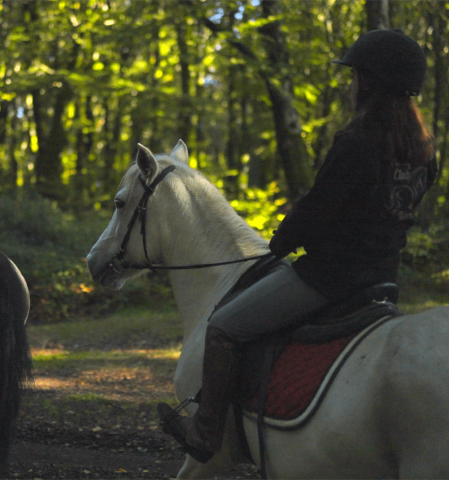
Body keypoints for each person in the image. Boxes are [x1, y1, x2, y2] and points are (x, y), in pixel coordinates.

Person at [157, 28, 437, 463]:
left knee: (224, 328)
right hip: (383, 281)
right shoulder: (424, 152)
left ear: (371, 82)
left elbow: (319, 209)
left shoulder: (356, 141)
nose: (351, 84)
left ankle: (206, 431)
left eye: (356, 76)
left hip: (328, 280)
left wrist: (282, 240)